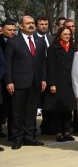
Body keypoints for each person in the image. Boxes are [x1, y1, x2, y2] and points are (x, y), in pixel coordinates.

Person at [4, 15, 47, 149]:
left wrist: (44, 79)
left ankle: (29, 136)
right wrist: (9, 81)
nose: (31, 25)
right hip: (19, 82)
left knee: (31, 111)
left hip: (35, 82)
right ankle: (17, 138)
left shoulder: (40, 41)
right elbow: (8, 63)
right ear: (21, 26)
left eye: (32, 23)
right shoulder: (13, 41)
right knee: (17, 112)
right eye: (27, 23)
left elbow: (43, 63)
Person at [43, 27, 77, 142]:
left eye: (69, 34)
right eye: (65, 34)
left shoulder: (74, 48)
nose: (67, 36)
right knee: (58, 109)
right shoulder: (53, 48)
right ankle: (58, 133)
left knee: (68, 108)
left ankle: (67, 131)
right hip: (58, 81)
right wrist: (52, 84)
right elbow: (50, 67)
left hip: (70, 82)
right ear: (59, 35)